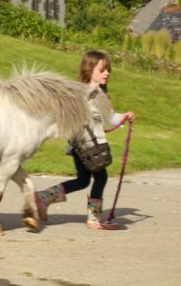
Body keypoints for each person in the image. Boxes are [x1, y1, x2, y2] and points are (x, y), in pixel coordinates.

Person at [35, 50, 136, 229]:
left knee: (83, 180)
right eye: (102, 69)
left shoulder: (97, 93)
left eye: (108, 70)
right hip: (87, 147)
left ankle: (44, 197)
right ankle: (94, 218)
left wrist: (124, 117)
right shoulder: (85, 93)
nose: (107, 73)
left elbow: (108, 116)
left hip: (79, 146)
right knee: (101, 177)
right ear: (90, 70)